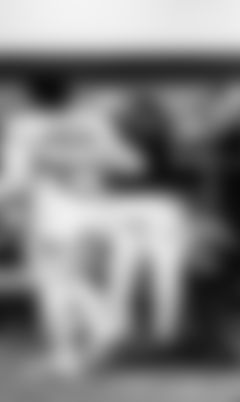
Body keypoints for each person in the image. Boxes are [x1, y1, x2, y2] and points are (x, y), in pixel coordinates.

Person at [0, 75, 142, 374]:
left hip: (52, 212)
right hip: (94, 210)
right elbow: (131, 163)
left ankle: (97, 330)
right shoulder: (91, 122)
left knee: (55, 284)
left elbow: (17, 179)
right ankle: (78, 347)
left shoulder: (26, 126)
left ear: (31, 95)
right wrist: (86, 160)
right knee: (72, 280)